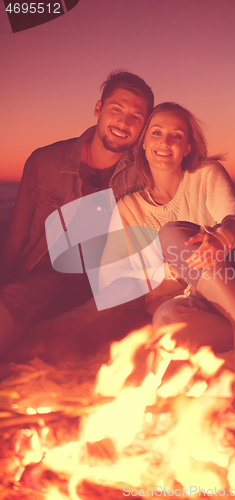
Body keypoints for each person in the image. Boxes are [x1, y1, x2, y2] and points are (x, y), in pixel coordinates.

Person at [99, 102, 235, 368]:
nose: (165, 142)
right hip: (204, 306)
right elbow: (139, 285)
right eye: (156, 133)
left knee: (172, 236)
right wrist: (182, 267)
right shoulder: (129, 209)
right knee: (166, 320)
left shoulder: (205, 175)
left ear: (187, 147)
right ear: (143, 142)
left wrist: (221, 240)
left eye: (176, 136)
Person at [0, 71, 154, 359]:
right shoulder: (44, 162)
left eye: (137, 117)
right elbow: (16, 238)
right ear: (99, 109)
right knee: (12, 303)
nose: (124, 122)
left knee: (96, 321)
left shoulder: (147, 174)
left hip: (106, 284)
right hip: (49, 276)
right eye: (116, 109)